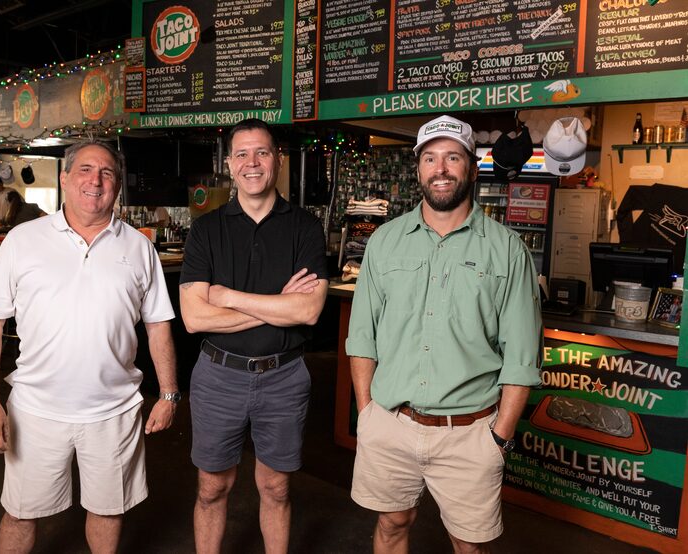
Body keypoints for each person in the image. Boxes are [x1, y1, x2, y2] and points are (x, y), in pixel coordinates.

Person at [346, 114, 543, 554]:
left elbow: (523, 356)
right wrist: (369, 414)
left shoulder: (507, 249)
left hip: (471, 432)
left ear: (471, 167)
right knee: (392, 524)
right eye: (430, 158)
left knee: (468, 544)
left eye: (453, 157)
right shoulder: (385, 241)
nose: (441, 168)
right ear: (418, 168)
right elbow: (362, 337)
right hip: (391, 424)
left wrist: (499, 437)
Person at [0, 140, 179, 554]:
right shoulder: (23, 239)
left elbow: (158, 326)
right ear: (65, 178)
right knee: (19, 512)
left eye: (106, 173)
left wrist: (170, 394)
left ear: (117, 185)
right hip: (35, 410)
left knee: (108, 511)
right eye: (85, 170)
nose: (95, 180)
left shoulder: (139, 247)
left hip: (114, 412)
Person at [179, 118, 329, 554]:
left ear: (277, 160)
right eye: (242, 153)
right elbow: (195, 319)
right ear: (229, 164)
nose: (252, 162)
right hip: (217, 376)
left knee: (277, 488)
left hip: (284, 377)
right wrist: (273, 306)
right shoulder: (206, 229)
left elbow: (308, 310)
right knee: (211, 488)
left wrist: (227, 296)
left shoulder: (305, 227)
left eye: (262, 152)